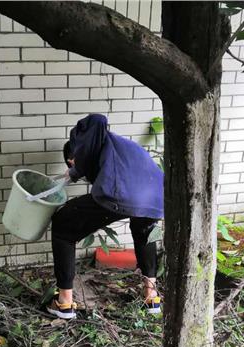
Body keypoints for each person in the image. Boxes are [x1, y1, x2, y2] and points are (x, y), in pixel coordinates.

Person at [47, 114, 164, 320]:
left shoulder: (91, 139)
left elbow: (97, 121)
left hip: (123, 192)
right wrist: (75, 172)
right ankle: (151, 296)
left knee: (63, 225)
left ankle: (64, 302)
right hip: (155, 196)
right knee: (144, 233)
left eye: (71, 161)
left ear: (76, 152)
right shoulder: (119, 149)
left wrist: (75, 170)